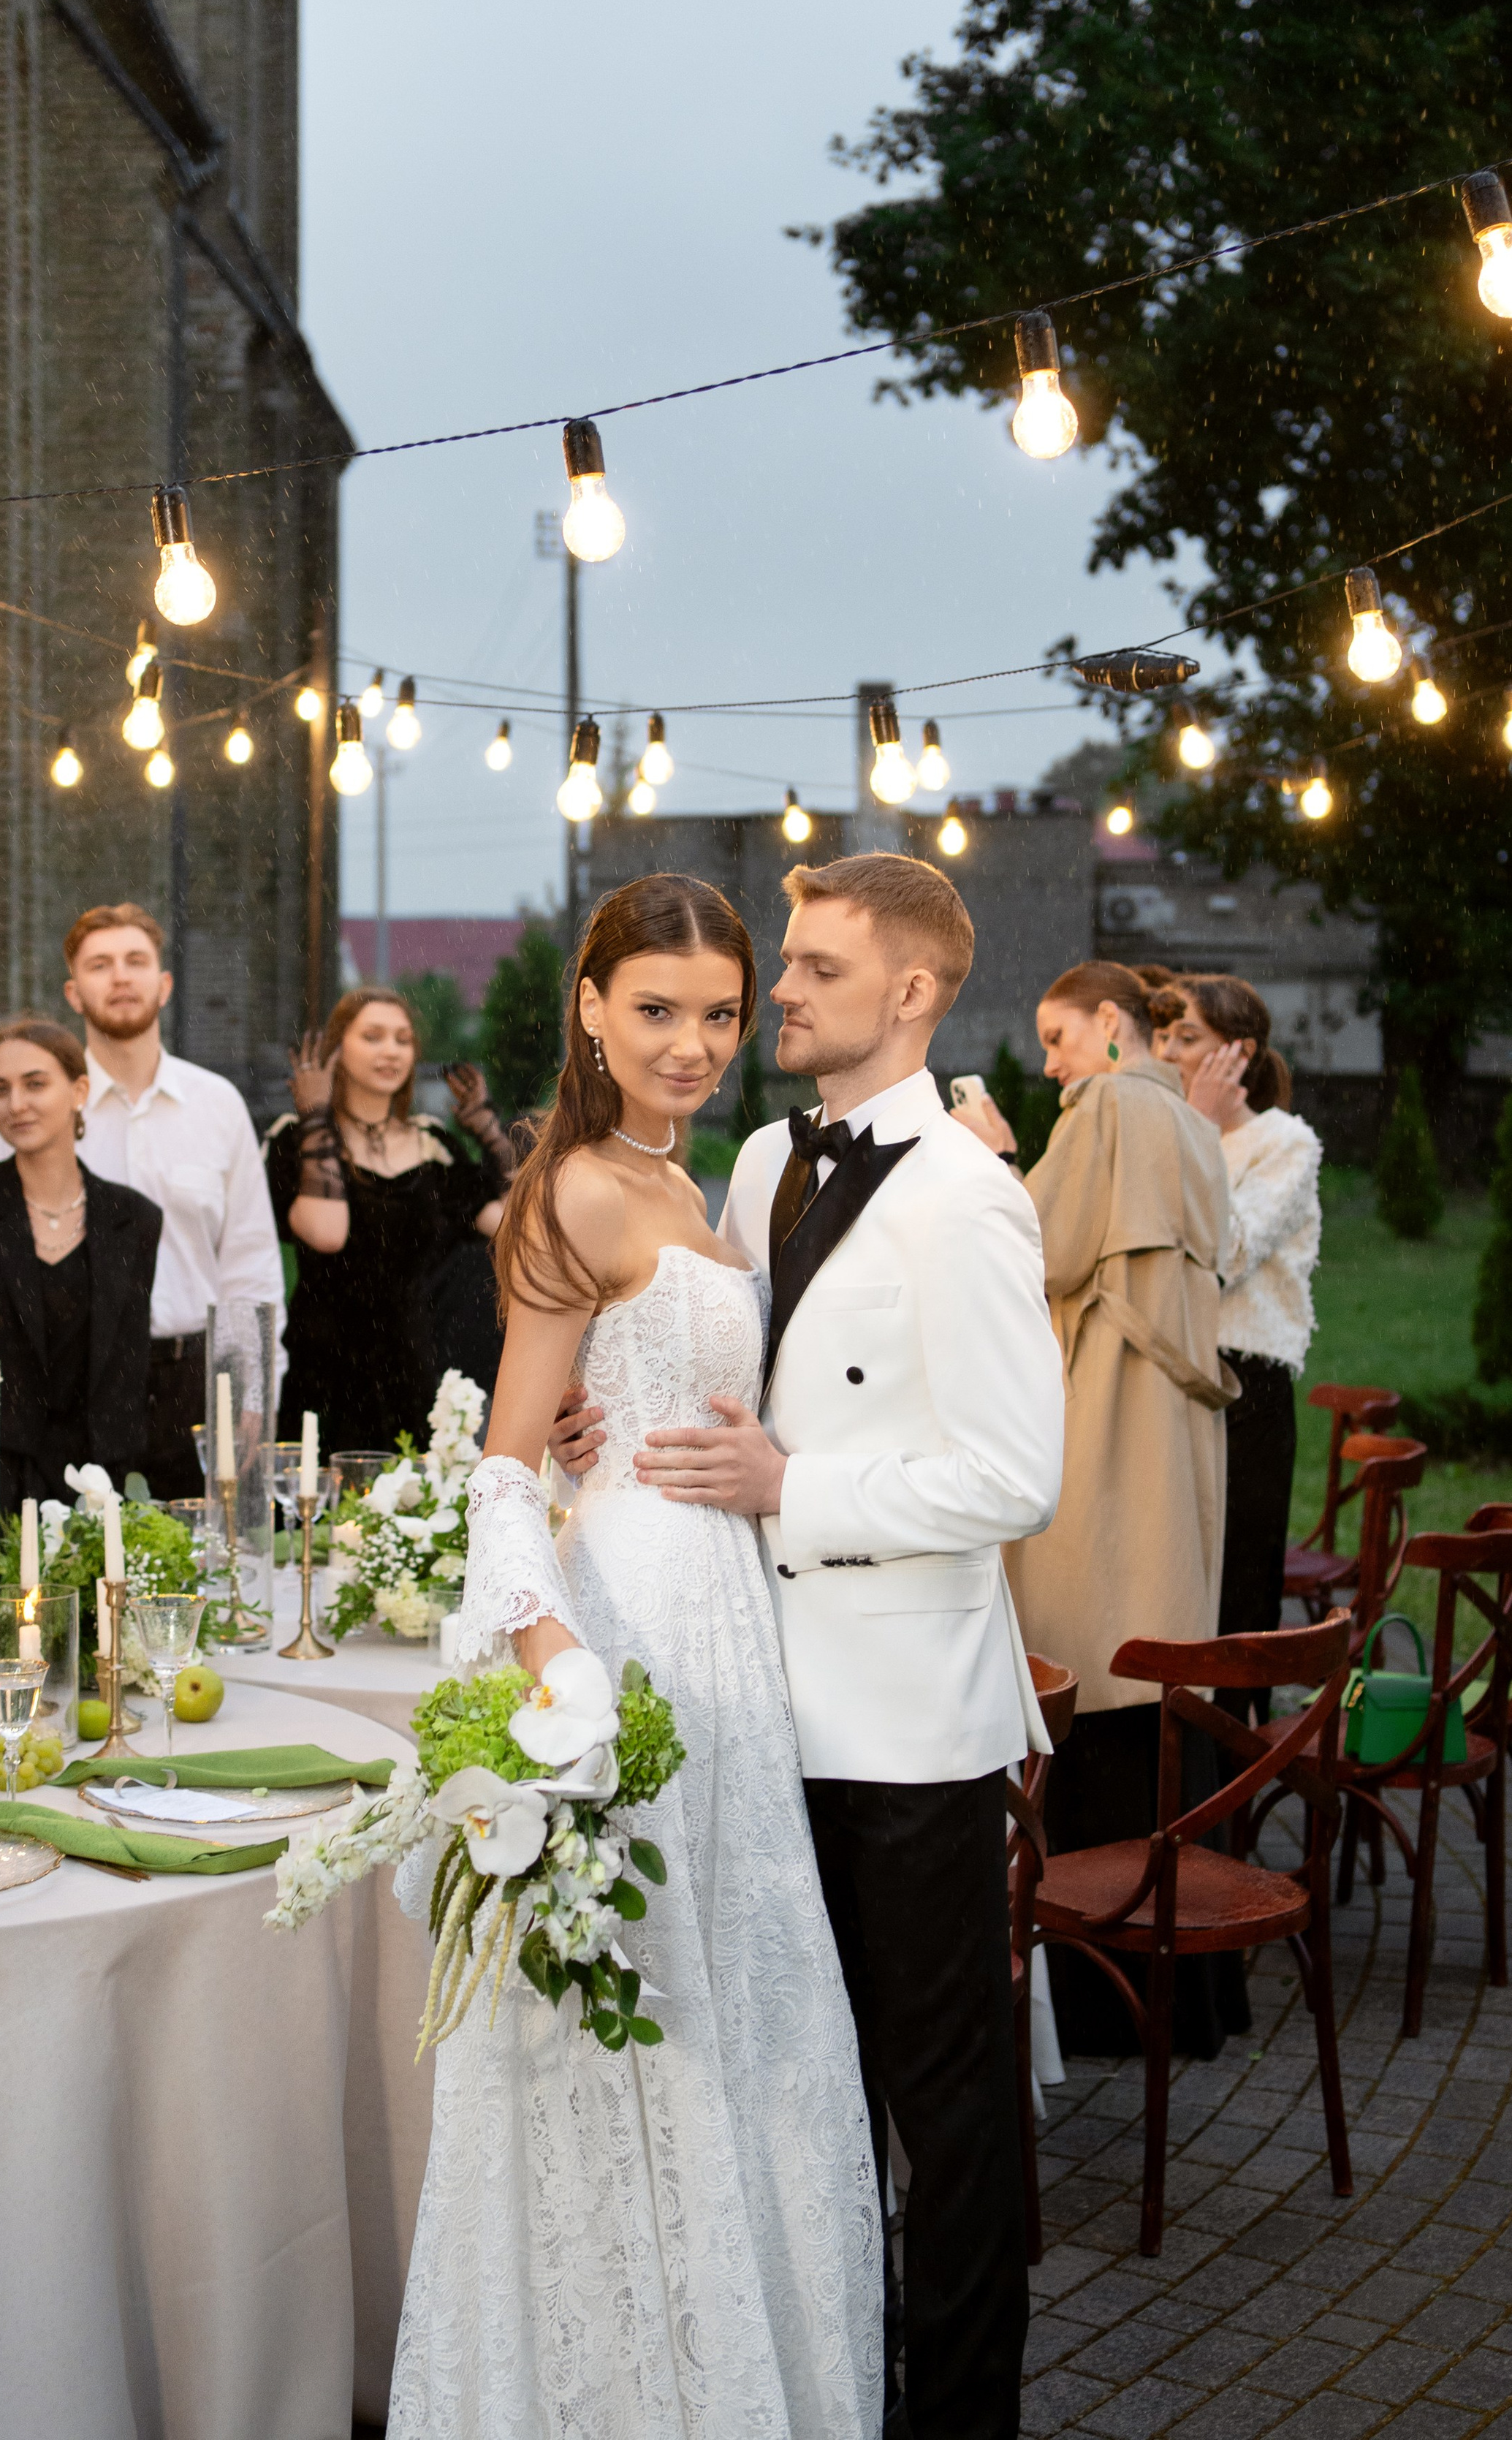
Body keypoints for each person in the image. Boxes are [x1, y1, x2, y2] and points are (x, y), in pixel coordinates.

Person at [390, 876, 883, 2440]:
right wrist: (561, 1671)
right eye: (656, 1009)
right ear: (590, 1007)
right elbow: (499, 1470)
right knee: (648, 2027)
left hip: (734, 1625)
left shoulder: (700, 1181)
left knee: (746, 2010)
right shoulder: (575, 1193)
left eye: (720, 1014)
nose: (691, 1043)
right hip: (634, 1629)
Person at [620, 852, 1065, 2440]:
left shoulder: (970, 1196)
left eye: (816, 967)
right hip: (761, 1703)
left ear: (913, 992)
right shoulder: (759, 1161)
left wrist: (790, 1489)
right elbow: (736, 1376)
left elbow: (1015, 1477)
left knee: (945, 2110)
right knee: (804, 2089)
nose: (782, 993)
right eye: (787, 963)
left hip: (907, 1723)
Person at [953, 961, 1241, 2055]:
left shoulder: (1110, 1105)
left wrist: (991, 1162)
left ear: (1111, 1023)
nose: (1049, 1062)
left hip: (1111, 1431)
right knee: (1158, 1686)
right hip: (1172, 1440)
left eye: (1059, 1035)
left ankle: (1101, 1999)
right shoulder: (1192, 1124)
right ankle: (1191, 1996)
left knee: (1092, 1670)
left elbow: (1037, 1248)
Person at [0, 906, 283, 1499]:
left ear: (164, 985)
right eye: (100, 965)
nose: (120, 977)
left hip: (195, 1378)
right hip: (73, 1379)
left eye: (135, 961)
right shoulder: (32, 1108)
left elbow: (250, 1260)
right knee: (79, 1548)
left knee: (205, 1548)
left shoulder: (217, 1105)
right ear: (74, 992)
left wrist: (252, 1392)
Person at [0, 1018, 162, 1529]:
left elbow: (126, 1373)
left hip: (91, 1497)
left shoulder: (133, 1219)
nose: (15, 1104)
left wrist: (122, 1507)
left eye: (35, 1084)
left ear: (79, 1091)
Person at [1155, 974, 1322, 1715]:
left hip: (1246, 1388)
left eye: (1188, 1037)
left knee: (1238, 1592)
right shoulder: (1162, 1128)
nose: (1168, 1051)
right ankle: (1177, 1757)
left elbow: (1226, 1256)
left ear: (1238, 1054)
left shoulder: (1285, 1142)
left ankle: (1236, 1767)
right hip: (1169, 1377)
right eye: (1163, 1035)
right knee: (1176, 1584)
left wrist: (1198, 1128)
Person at [265, 988, 514, 1451]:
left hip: (411, 1368)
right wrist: (317, 1120)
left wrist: (488, 1132)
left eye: (403, 1039)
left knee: (409, 1491)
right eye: (373, 1037)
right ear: (337, 1050)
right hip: (323, 1368)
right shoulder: (294, 1140)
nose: (391, 1051)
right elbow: (327, 1233)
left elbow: (513, 1229)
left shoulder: (432, 1145)